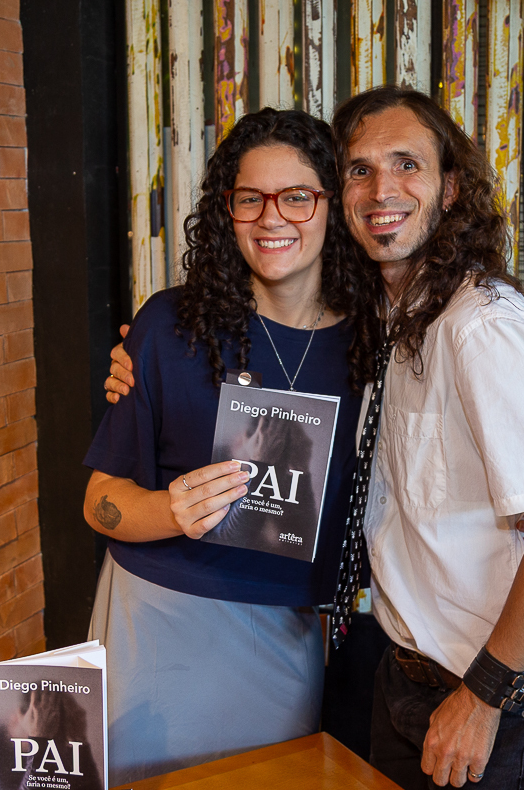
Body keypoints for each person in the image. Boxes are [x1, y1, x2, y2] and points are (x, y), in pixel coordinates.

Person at [107, 87, 524, 790]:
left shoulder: (481, 326)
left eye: (407, 164)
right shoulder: (388, 323)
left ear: (452, 188)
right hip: (403, 680)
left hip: (490, 701)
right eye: (360, 170)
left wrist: (483, 696)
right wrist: (141, 356)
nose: (382, 189)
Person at [82, 107, 380, 785]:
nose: (272, 217)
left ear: (332, 207)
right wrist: (169, 510)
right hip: (154, 624)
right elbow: (100, 503)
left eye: (297, 197)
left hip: (285, 636)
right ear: (228, 210)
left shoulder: (372, 348)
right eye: (251, 198)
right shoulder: (168, 327)